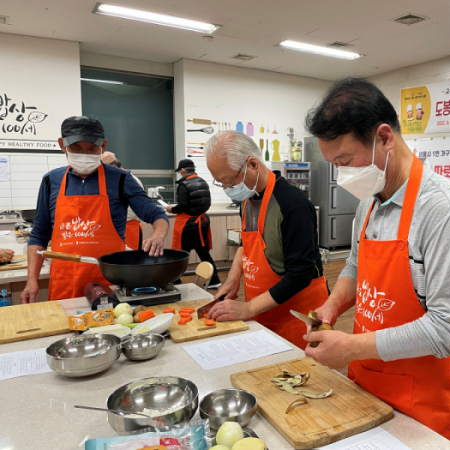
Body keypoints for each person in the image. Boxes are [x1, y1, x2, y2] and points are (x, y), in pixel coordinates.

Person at [303, 78, 450, 450]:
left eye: (344, 161)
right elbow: (355, 265)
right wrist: (333, 304)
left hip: (425, 410)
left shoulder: (445, 211)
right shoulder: (370, 201)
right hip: (365, 390)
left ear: (384, 138)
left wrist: (351, 347)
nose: (341, 175)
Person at [22, 116, 169, 303]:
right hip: (65, 282)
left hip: (110, 280)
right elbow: (39, 234)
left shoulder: (121, 179)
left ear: (103, 146)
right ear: (62, 145)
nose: (84, 154)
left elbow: (155, 213)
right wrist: (31, 280)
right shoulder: (51, 181)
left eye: (92, 149)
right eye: (76, 148)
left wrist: (158, 235)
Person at [204, 131, 329, 348]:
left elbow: (300, 275)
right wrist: (233, 279)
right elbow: (247, 245)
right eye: (220, 183)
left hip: (298, 318)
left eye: (228, 181)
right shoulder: (247, 199)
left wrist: (249, 308)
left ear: (253, 165)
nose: (226, 189)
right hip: (264, 313)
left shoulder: (292, 205)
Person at [166, 159, 221, 288]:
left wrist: (171, 209)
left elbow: (183, 206)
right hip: (202, 222)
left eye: (180, 171)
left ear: (183, 170)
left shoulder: (184, 184)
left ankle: (176, 280)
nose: (180, 173)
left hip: (187, 224)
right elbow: (206, 202)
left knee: (181, 253)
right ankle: (215, 279)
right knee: (203, 252)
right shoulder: (202, 182)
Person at [101, 151, 144, 250]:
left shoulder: (130, 181)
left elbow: (137, 209)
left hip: (128, 227)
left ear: (114, 167)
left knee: (129, 261)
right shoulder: (114, 179)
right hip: (114, 228)